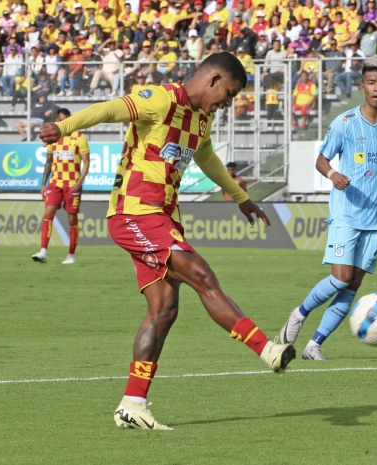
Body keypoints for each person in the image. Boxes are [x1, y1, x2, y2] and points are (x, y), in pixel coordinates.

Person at [38, 52, 296, 430]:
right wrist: (63, 128)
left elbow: (206, 159)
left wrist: (242, 198)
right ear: (213, 79)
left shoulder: (201, 119)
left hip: (163, 217)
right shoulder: (160, 99)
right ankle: (267, 349)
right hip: (134, 213)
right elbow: (109, 110)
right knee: (202, 275)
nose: (228, 103)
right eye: (229, 93)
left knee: (164, 310)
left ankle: (133, 404)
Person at [278, 56, 377, 360]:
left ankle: (315, 345)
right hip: (347, 214)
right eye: (371, 83)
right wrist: (332, 174)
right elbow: (321, 159)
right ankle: (300, 313)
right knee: (340, 278)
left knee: (352, 286)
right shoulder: (345, 123)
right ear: (362, 86)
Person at [31, 109, 90, 265]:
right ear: (57, 120)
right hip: (55, 183)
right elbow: (49, 161)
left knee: (72, 218)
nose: (62, 122)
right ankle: (43, 252)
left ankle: (71, 255)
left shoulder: (79, 138)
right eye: (60, 119)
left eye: (65, 119)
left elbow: (86, 162)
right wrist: (43, 184)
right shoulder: (53, 139)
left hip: (72, 185)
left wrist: (80, 181)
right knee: (48, 213)